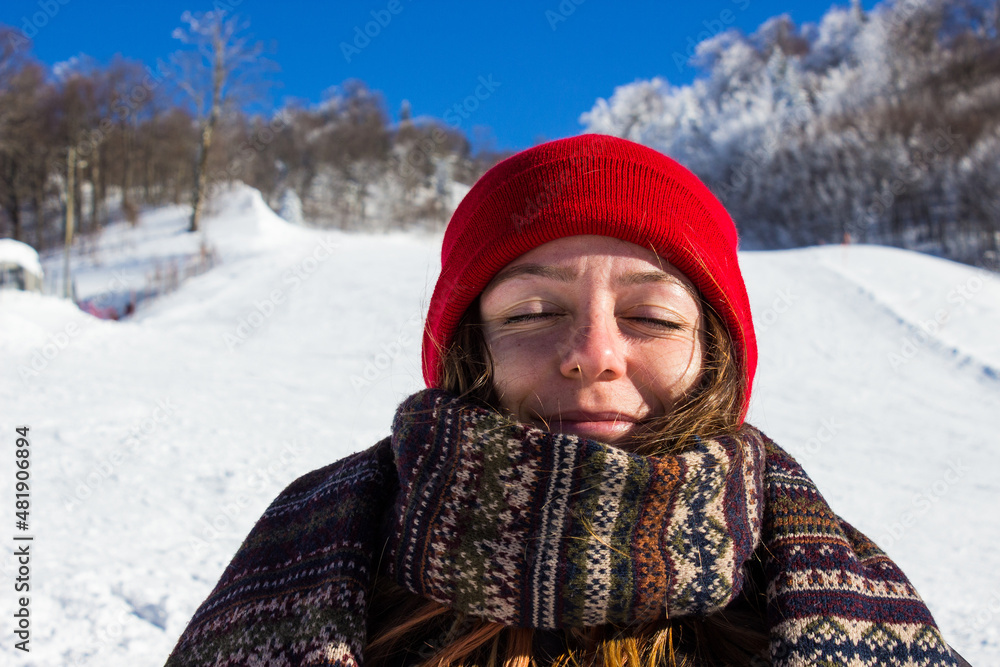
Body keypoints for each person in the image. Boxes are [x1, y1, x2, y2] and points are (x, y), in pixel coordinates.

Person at [164, 135, 966, 667]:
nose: (592, 353)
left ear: (714, 352)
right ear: (470, 344)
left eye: (651, 315)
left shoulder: (828, 591)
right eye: (531, 312)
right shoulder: (317, 552)